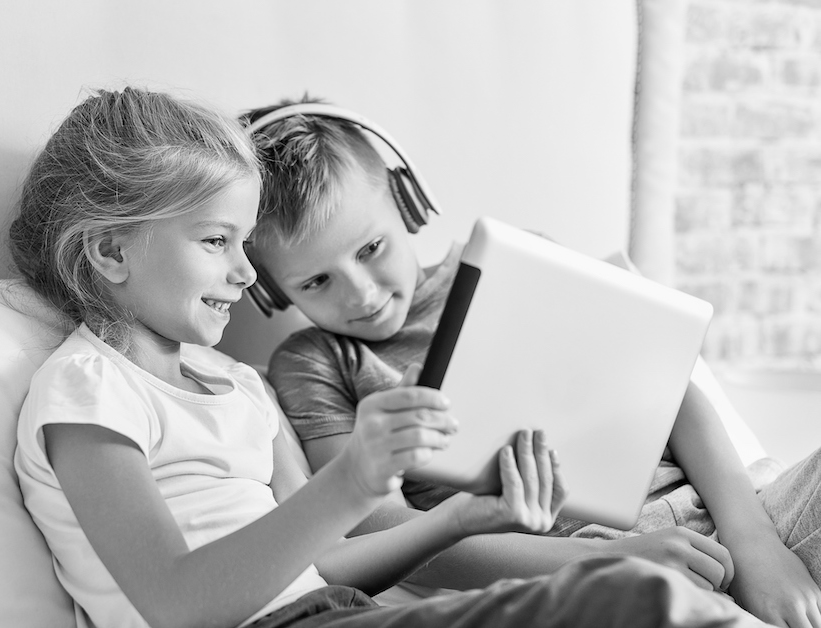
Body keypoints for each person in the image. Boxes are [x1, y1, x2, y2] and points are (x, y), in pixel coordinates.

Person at [6, 86, 765, 628]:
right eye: (217, 242)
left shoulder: (240, 386)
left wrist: (460, 519)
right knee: (642, 600)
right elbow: (177, 606)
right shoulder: (87, 389)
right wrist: (357, 479)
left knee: (634, 596)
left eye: (244, 246)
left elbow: (327, 562)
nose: (244, 273)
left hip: (344, 609)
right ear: (108, 251)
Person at [245, 95, 821, 627]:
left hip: (740, 508)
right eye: (317, 281)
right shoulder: (314, 364)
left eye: (371, 249)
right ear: (272, 291)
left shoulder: (521, 264)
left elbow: (673, 394)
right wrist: (605, 560)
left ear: (405, 202)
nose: (361, 295)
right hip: (576, 563)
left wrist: (758, 544)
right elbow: (382, 528)